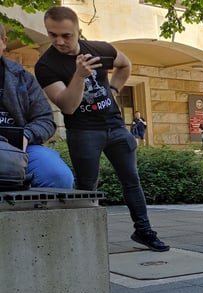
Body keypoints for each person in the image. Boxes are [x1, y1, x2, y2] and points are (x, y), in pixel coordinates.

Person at [35, 6, 168, 251]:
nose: (59, 41)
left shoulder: (99, 49)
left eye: (66, 35)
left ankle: (144, 231)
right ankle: (85, 240)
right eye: (52, 35)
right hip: (83, 131)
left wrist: (114, 90)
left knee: (132, 181)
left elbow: (125, 64)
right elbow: (68, 106)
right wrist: (79, 76)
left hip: (115, 126)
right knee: (87, 186)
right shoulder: (46, 65)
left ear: (78, 31)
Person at [0, 23, 74, 188]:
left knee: (58, 177)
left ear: (4, 42)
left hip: (21, 148)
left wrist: (27, 135)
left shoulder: (23, 77)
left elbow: (45, 119)